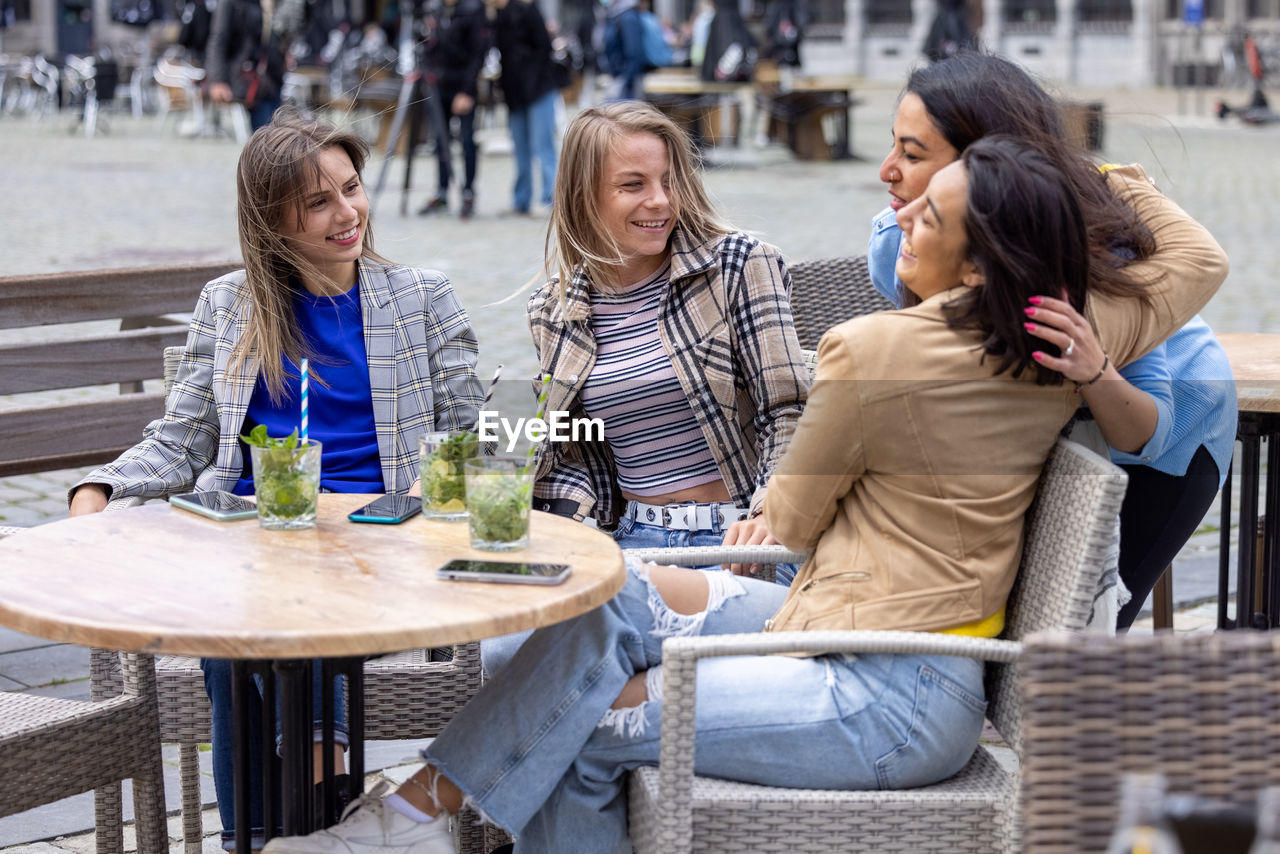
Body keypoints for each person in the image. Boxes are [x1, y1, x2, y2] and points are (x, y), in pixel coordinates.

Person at [258, 134, 1226, 854]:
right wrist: (1090, 177)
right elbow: (1196, 261)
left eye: (927, 215)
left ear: (976, 260)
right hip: (852, 624)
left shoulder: (872, 344)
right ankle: (424, 808)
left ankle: (419, 811)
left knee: (582, 722)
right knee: (604, 601)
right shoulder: (1052, 327)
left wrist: (769, 506)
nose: (896, 220)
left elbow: (791, 517)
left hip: (880, 685)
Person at [67, 109, 483, 850]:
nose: (347, 213)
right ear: (272, 223)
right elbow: (184, 439)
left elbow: (469, 435)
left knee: (252, 629)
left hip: (382, 541)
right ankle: (322, 824)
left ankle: (263, 837)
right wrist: (101, 487)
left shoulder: (421, 298)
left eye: (352, 189)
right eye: (318, 203)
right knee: (245, 617)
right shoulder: (230, 306)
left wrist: (426, 494)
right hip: (261, 543)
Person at [866, 52, 1237, 630]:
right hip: (1049, 428)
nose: (886, 170)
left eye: (913, 154)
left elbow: (1146, 428)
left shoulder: (1098, 253)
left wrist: (1094, 370)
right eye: (894, 145)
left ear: (985, 167)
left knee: (1083, 628)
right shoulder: (896, 245)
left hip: (1167, 435)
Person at [528, 101, 808, 576]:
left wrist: (770, 511)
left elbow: (790, 410)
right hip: (630, 543)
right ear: (583, 197)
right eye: (633, 185)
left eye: (668, 180)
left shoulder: (738, 265)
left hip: (741, 539)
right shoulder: (553, 310)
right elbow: (575, 446)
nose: (660, 200)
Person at [415, 0, 490, 219]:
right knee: (440, 142)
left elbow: (478, 54)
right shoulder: (435, 9)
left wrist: (466, 91)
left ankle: (468, 192)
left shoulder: (473, 9)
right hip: (438, 86)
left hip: (463, 86)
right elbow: (429, 46)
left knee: (467, 141)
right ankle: (442, 191)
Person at [492, 0, 559, 215]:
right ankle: (521, 200)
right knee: (520, 148)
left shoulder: (527, 10)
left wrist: (530, 75)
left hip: (538, 89)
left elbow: (544, 49)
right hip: (515, 93)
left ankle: (551, 200)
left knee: (543, 145)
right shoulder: (498, 17)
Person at [207, 0, 307, 131]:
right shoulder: (233, 3)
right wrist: (217, 80)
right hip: (245, 77)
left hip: (273, 77)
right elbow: (218, 39)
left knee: (274, 132)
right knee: (264, 136)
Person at [603, 0, 646, 100]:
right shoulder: (615, 14)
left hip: (626, 81)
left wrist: (625, 80)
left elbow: (634, 52)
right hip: (620, 77)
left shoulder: (628, 17)